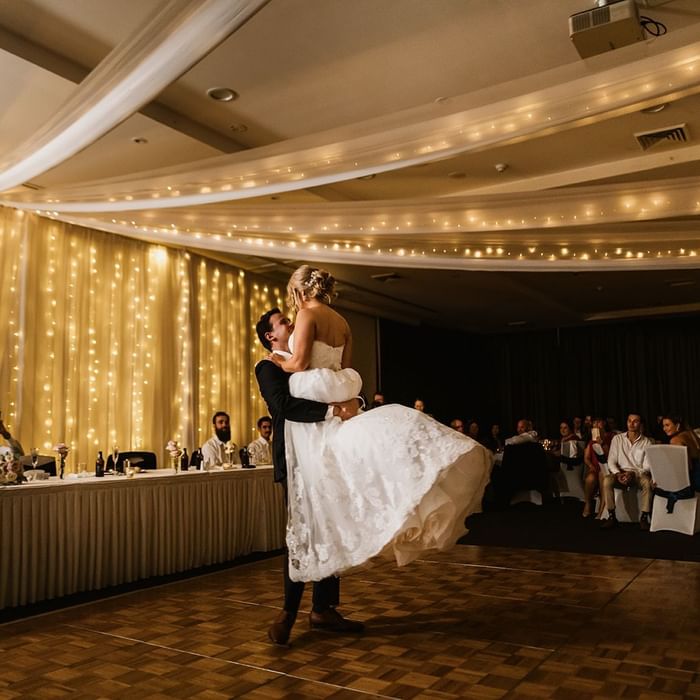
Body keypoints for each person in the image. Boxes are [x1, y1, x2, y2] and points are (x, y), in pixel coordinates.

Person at [267, 264, 493, 585]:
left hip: (315, 424)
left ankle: (316, 588)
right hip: (338, 405)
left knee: (320, 506)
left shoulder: (307, 315)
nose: (294, 305)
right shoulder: (342, 321)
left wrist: (277, 359)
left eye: (293, 297)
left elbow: (300, 362)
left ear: (300, 292)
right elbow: (346, 372)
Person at [255, 307, 363, 645]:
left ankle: (323, 608)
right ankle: (288, 610)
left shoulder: (306, 362)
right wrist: (332, 410)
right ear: (271, 336)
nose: (291, 322)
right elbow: (284, 406)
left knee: (330, 527)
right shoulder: (268, 367)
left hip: (326, 453)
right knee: (301, 532)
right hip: (296, 459)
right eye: (283, 322)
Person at [600, 413, 653, 530]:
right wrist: (618, 474)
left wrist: (632, 474)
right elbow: (611, 461)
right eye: (629, 420)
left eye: (635, 421)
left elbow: (646, 466)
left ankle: (644, 517)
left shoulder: (647, 442)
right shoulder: (617, 439)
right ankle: (612, 516)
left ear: (641, 424)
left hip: (637, 474)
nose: (632, 423)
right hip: (620, 472)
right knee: (607, 480)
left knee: (647, 482)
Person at [582, 418, 613, 518]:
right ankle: (588, 503)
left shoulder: (611, 438)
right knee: (590, 479)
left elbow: (611, 456)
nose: (597, 425)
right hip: (595, 467)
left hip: (606, 467)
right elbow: (586, 458)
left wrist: (603, 444)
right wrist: (591, 466)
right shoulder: (591, 442)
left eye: (599, 423)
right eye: (595, 424)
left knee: (603, 476)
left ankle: (601, 508)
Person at [660, 415, 700, 491]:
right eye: (663, 426)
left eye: (667, 425)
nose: (664, 429)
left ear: (677, 425)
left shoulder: (675, 440)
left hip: (695, 479)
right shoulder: (690, 434)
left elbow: (685, 467)